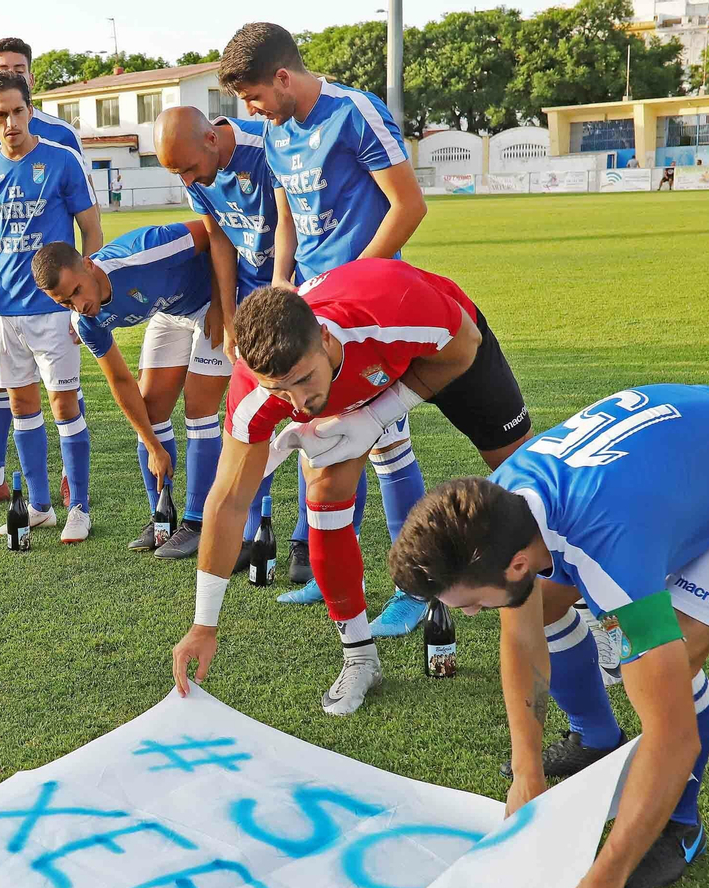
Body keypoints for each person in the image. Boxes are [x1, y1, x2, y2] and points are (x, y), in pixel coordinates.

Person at [386, 385, 709, 888]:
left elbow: (673, 738)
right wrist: (527, 773)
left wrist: (602, 884)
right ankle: (597, 737)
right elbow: (521, 637)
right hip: (672, 479)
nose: (465, 615)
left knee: (661, 671)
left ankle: (680, 821)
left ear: (517, 563)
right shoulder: (504, 507)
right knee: (542, 611)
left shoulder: (606, 545)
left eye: (466, 604)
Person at [170, 259, 533, 715]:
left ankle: (589, 612)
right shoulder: (255, 391)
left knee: (523, 474)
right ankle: (360, 656)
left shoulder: (396, 308)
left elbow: (463, 347)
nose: (298, 404)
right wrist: (204, 624)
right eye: (280, 391)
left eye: (302, 380)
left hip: (436, 350)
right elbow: (227, 503)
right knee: (323, 496)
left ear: (324, 337)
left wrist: (375, 416)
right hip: (356, 374)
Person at [217, 22, 434, 636]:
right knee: (323, 440)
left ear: (284, 78)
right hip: (311, 304)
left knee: (387, 444)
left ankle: (413, 586)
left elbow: (409, 205)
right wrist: (283, 280)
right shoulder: (275, 130)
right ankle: (333, 574)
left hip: (364, 308)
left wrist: (355, 284)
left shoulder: (355, 112)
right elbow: (288, 216)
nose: (250, 110)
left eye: (255, 96)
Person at [32, 222, 230, 558]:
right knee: (150, 413)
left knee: (198, 406)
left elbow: (215, 234)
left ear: (89, 264)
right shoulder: (87, 322)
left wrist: (220, 304)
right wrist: (153, 446)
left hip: (212, 303)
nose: (78, 306)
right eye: (66, 302)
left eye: (78, 291)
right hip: (170, 313)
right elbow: (121, 382)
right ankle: (161, 519)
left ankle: (197, 523)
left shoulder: (146, 250)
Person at [0, 72, 105, 543]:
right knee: (22, 405)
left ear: (30, 110)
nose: (11, 121)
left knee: (64, 404)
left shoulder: (62, 160)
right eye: (0, 114)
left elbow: (92, 229)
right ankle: (40, 506)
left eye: (18, 111)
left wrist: (82, 297)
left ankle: (80, 508)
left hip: (54, 310)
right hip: (6, 312)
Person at [156, 104, 282, 565]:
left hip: (293, 295)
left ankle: (306, 544)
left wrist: (287, 295)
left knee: (315, 421)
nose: (186, 181)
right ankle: (248, 534)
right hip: (247, 303)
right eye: (176, 174)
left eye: (188, 169)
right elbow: (221, 238)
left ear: (212, 139)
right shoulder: (198, 176)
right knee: (248, 417)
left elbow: (293, 225)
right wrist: (229, 316)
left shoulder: (265, 148)